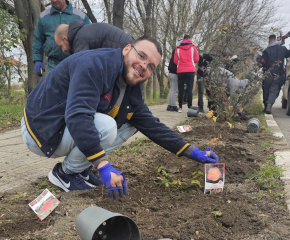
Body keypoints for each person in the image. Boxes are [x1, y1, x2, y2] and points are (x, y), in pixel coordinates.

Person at [22, 36, 219, 200]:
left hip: (62, 127)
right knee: (106, 126)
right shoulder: (95, 65)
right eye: (141, 56)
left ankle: (80, 169)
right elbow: (78, 115)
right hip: (42, 130)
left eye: (150, 66)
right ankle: (65, 174)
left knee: (132, 124)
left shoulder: (132, 89)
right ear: (126, 49)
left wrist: (191, 151)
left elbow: (152, 126)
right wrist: (102, 164)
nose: (143, 66)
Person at [32, 0, 91, 76]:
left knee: (75, 87)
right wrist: (37, 59)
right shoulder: (44, 17)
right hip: (53, 64)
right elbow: (38, 39)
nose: (54, 0)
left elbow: (89, 38)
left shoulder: (80, 16)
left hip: (75, 62)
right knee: (53, 87)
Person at [54, 19, 134, 54]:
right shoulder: (82, 32)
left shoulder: (79, 40)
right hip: (129, 46)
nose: (63, 50)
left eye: (61, 46)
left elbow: (81, 65)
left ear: (65, 39)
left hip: (125, 49)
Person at [261, 34, 290, 114]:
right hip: (278, 75)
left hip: (268, 74)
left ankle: (266, 106)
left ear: (270, 40)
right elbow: (288, 54)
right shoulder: (283, 49)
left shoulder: (267, 50)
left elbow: (263, 63)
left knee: (266, 90)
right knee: (274, 90)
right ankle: (269, 105)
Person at [174, 35, 199, 113]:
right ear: (189, 39)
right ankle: (189, 107)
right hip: (190, 70)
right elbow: (196, 59)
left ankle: (180, 108)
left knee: (180, 89)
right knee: (189, 89)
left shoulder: (177, 49)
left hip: (180, 70)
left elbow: (175, 61)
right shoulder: (193, 48)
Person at [166, 38, 183, 112]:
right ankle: (173, 106)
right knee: (174, 90)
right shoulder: (178, 53)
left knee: (172, 89)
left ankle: (169, 105)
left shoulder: (174, 52)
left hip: (170, 73)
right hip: (174, 73)